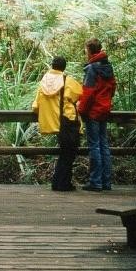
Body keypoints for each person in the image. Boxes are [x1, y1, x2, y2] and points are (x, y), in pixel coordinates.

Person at [32, 56, 82, 192]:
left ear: (52, 66)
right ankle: (62, 184)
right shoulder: (68, 81)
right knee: (69, 153)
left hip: (54, 124)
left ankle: (58, 183)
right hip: (68, 122)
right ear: (64, 67)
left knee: (64, 153)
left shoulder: (43, 82)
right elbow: (80, 94)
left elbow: (35, 106)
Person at [78, 38, 116, 191]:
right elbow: (113, 87)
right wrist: (106, 101)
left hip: (93, 111)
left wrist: (81, 110)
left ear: (90, 50)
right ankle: (106, 182)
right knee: (104, 145)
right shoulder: (107, 66)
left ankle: (96, 182)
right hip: (104, 109)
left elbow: (88, 93)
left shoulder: (92, 68)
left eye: (86, 49)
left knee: (94, 146)